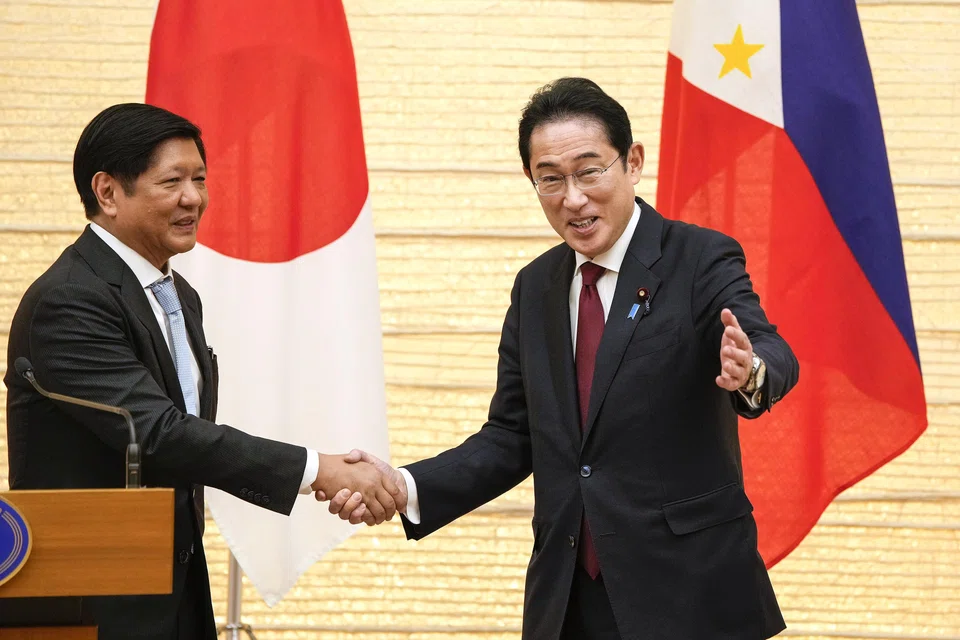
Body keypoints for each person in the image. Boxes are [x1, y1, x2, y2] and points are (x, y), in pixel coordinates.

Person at [325, 78, 799, 639]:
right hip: (570, 596)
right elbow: (511, 436)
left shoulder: (698, 257)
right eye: (550, 179)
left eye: (589, 171)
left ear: (633, 162)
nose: (572, 198)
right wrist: (404, 485)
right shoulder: (536, 287)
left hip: (689, 594)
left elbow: (772, 349)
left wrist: (751, 371)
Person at [3, 103, 402, 640]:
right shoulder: (70, 300)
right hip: (93, 601)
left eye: (200, 179)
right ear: (107, 192)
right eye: (172, 181)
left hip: (172, 589)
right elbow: (160, 433)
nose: (194, 198)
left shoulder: (176, 293)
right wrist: (318, 470)